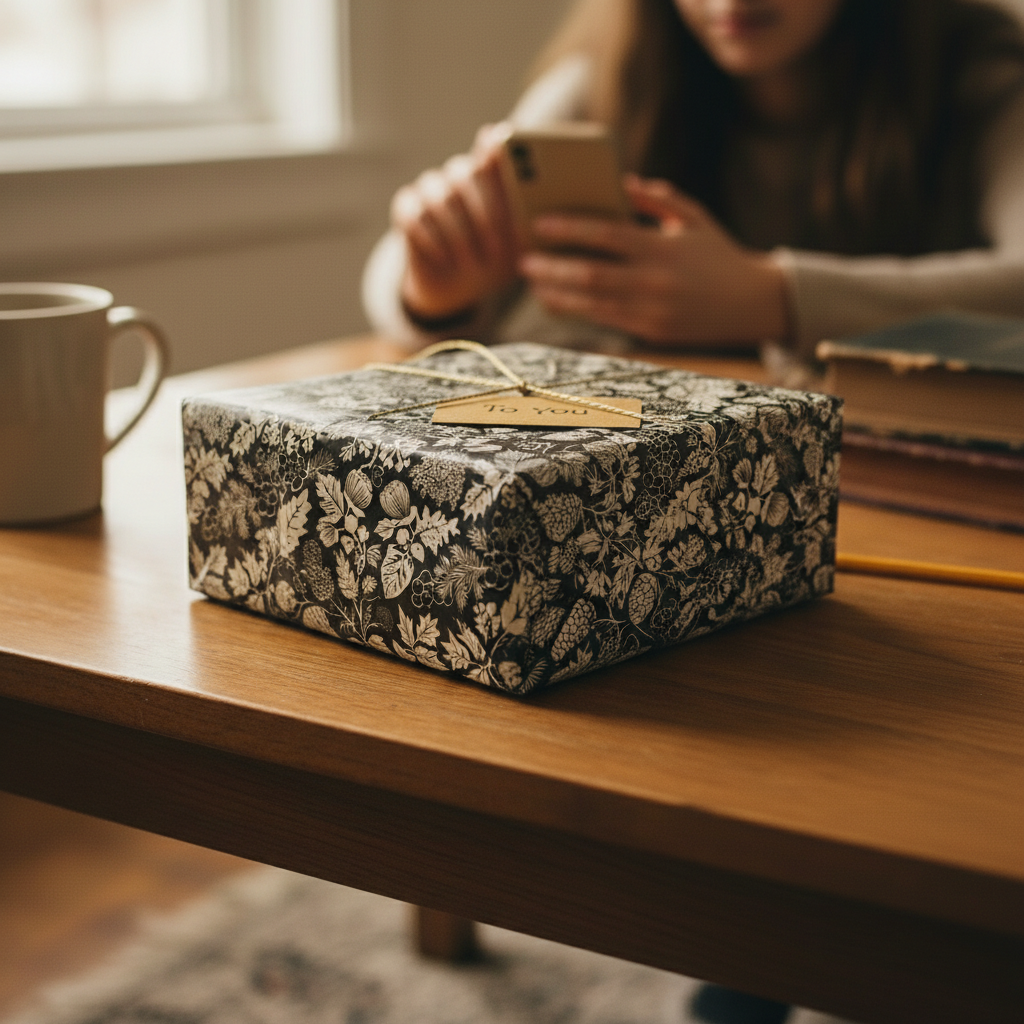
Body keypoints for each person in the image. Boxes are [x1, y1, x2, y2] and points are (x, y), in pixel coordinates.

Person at [362, 0, 1024, 378]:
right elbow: (393, 284)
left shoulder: (975, 66)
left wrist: (771, 299)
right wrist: (434, 288)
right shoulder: (613, 73)